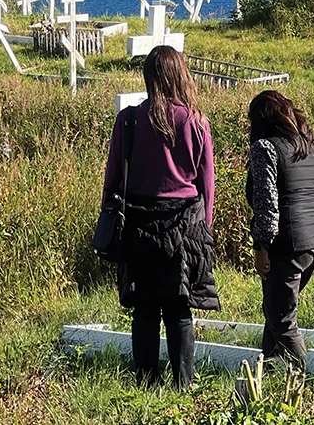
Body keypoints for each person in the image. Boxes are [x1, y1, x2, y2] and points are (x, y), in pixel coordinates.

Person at [102, 45, 219, 388]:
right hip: (184, 222)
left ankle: (146, 382)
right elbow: (206, 182)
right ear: (180, 75)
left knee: (145, 308)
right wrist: (204, 228)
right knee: (180, 307)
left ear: (149, 77)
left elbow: (113, 179)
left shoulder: (129, 119)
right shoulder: (195, 121)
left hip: (138, 220)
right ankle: (184, 383)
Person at [245, 90, 314, 368]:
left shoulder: (265, 148)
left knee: (283, 321)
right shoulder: (311, 148)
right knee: (275, 312)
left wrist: (261, 246)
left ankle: (303, 380)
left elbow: (267, 205)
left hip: (285, 246)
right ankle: (269, 375)